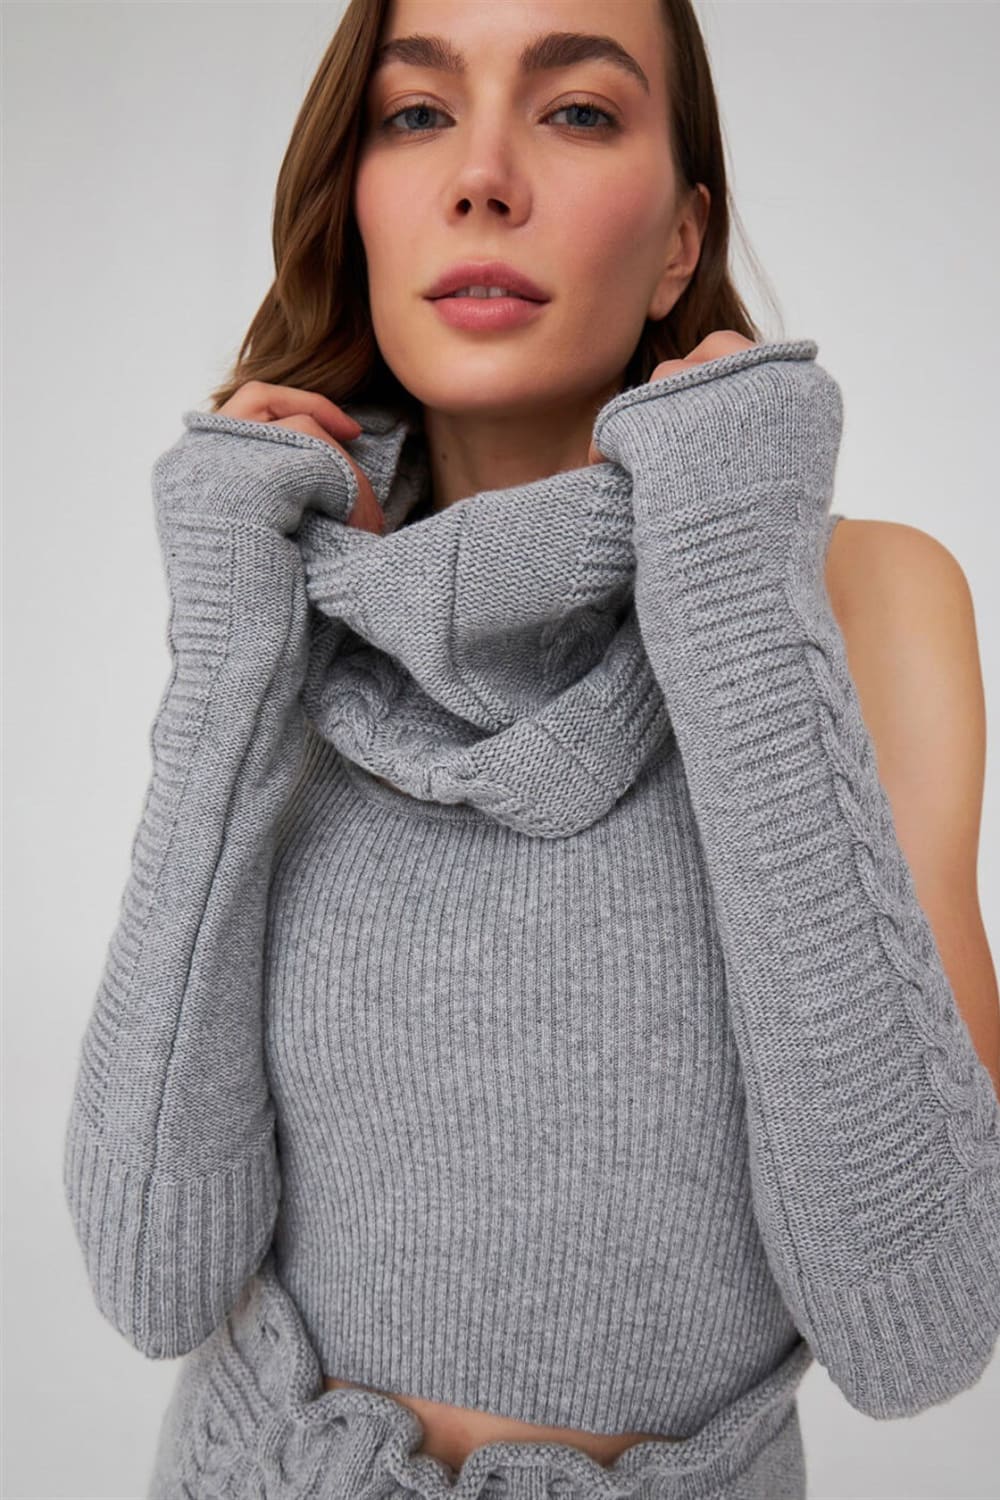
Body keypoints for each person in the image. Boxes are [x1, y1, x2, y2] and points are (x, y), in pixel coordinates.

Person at [63, 1, 1000, 1497]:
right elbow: (149, 1276)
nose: (483, 177)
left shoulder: (861, 603)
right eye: (416, 114)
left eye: (577, 112)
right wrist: (233, 655)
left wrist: (732, 593)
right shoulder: (283, 590)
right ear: (355, 201)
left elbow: (924, 1328)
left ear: (682, 243)